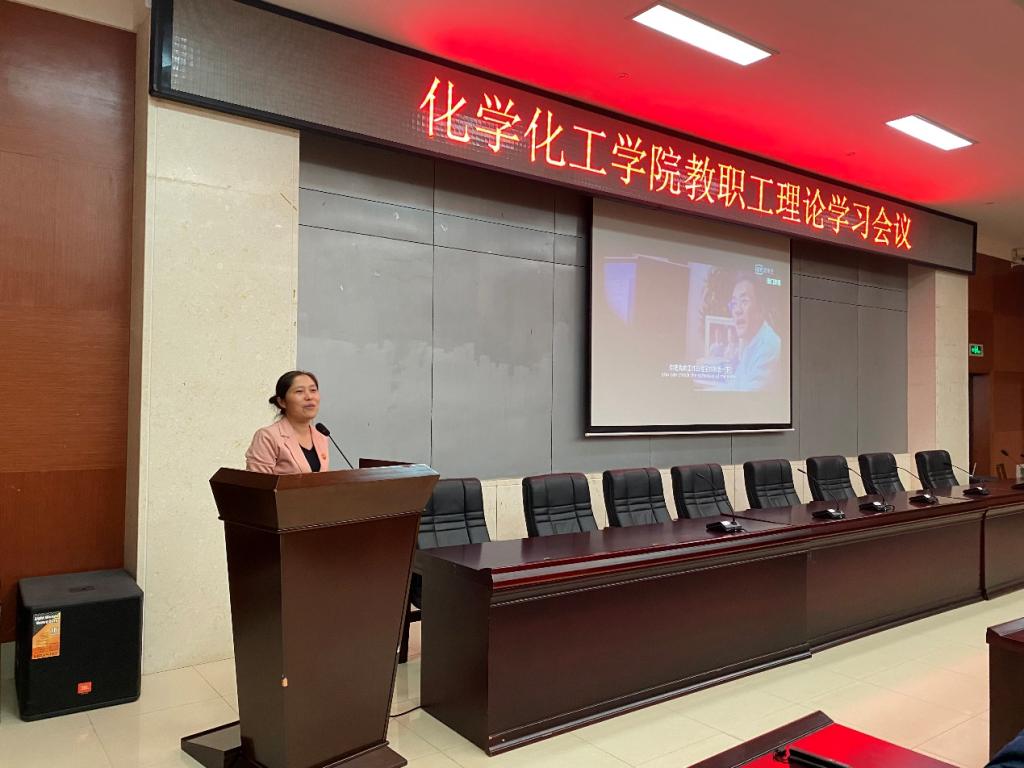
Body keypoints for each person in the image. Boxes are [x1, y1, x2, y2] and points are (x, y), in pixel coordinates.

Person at [245, 370, 330, 473]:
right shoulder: (268, 437)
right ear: (282, 402)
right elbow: (257, 481)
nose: (309, 397)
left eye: (313, 390)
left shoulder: (321, 437)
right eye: (299, 391)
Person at [726, 276, 781, 391]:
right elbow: (734, 385)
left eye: (744, 301)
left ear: (761, 309)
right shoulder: (751, 344)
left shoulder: (769, 346)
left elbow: (748, 396)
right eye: (734, 303)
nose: (737, 310)